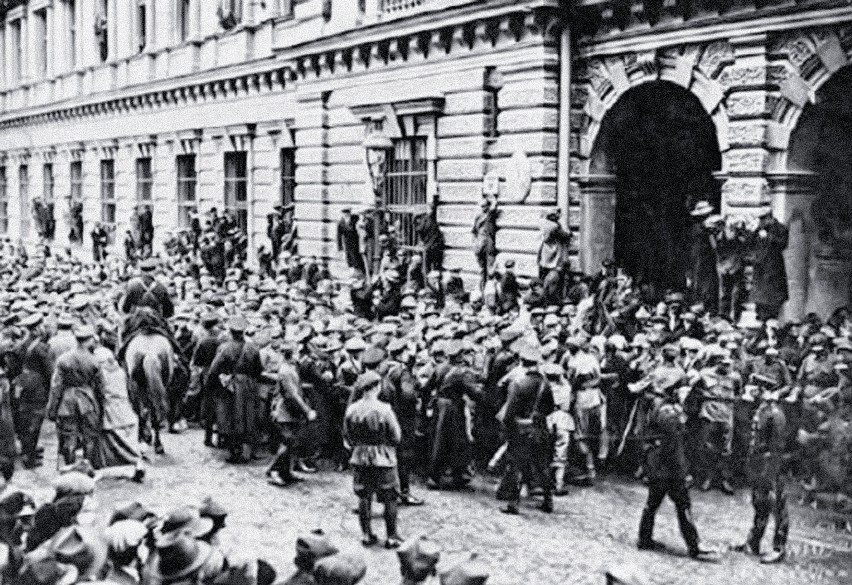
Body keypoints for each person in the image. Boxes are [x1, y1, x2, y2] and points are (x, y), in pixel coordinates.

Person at [638, 383, 717, 560]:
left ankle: (644, 539)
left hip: (658, 467)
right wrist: (684, 473)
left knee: (652, 504)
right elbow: (675, 449)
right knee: (683, 506)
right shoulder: (672, 416)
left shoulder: (667, 410)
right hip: (669, 470)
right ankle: (694, 546)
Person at [344, 370, 404, 549]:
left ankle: (366, 534)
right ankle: (391, 536)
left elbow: (347, 436)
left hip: (360, 455)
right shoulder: (384, 410)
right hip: (383, 457)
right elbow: (396, 437)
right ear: (376, 387)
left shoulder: (352, 409)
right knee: (390, 496)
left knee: (364, 495)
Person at [734, 375, 789, 564]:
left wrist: (769, 468)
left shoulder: (775, 413)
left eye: (754, 387)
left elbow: (777, 446)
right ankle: (753, 541)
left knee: (777, 506)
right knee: (759, 502)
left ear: (763, 389)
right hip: (758, 462)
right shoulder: (762, 408)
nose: (751, 390)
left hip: (770, 465)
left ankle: (778, 548)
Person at [499, 344, 555, 515]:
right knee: (542, 465)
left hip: (521, 429)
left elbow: (509, 412)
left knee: (516, 465)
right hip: (540, 428)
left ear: (522, 362)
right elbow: (550, 408)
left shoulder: (519, 384)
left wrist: (508, 427)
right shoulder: (545, 384)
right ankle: (548, 500)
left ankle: (513, 504)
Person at [47, 325, 105, 468]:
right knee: (90, 436)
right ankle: (87, 465)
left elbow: (56, 387)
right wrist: (102, 408)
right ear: (89, 340)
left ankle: (69, 466)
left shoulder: (63, 359)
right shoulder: (94, 360)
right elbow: (100, 388)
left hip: (67, 402)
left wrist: (52, 409)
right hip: (88, 400)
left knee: (68, 437)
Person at [751, 211, 789, 321]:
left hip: (774, 267)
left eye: (763, 219)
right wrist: (754, 231)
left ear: (770, 218)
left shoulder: (780, 229)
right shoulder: (759, 229)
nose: (761, 222)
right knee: (760, 298)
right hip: (760, 268)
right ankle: (761, 317)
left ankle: (772, 320)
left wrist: (769, 237)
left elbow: (783, 244)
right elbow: (750, 243)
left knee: (773, 299)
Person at [688, 201, 719, 312]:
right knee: (703, 282)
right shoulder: (700, 228)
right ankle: (704, 305)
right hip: (701, 258)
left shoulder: (699, 228)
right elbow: (714, 245)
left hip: (702, 257)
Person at [471, 197, 498, 290]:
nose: (483, 208)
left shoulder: (488, 215)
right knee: (483, 271)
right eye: (481, 206)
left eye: (484, 206)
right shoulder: (479, 217)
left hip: (487, 246)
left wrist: (493, 198)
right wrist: (474, 244)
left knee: (489, 271)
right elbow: (473, 232)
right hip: (481, 246)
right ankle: (483, 293)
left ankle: (487, 293)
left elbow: (493, 207)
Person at [337, 208, 364, 273]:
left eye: (347, 213)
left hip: (356, 242)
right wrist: (340, 248)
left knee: (357, 257)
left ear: (349, 213)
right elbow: (339, 235)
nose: (346, 214)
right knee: (349, 257)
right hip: (347, 243)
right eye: (344, 213)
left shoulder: (355, 219)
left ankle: (359, 271)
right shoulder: (341, 223)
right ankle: (353, 270)